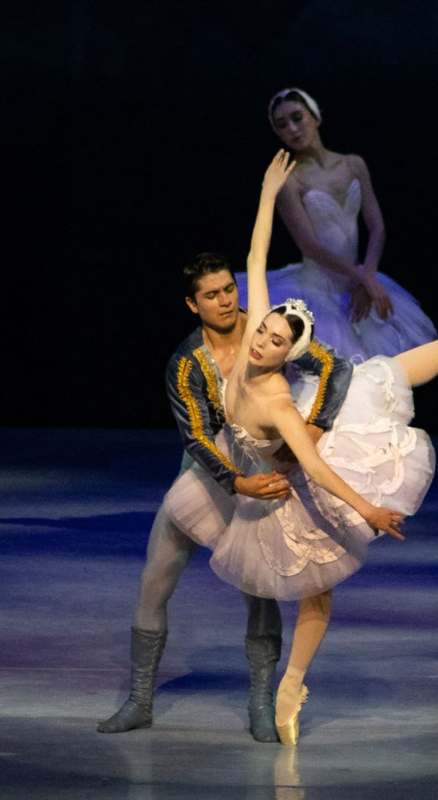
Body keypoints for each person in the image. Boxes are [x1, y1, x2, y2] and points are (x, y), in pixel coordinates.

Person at [217, 151, 438, 743]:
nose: (260, 338)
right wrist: (265, 197)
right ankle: (288, 686)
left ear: (289, 355)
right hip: (285, 462)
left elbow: (311, 461)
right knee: (379, 376)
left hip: (313, 467)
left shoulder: (280, 403)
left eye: (274, 338)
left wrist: (365, 508)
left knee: (384, 376)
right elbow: (257, 260)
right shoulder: (254, 353)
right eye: (260, 330)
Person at [95, 252, 353, 742]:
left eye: (228, 289)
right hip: (209, 472)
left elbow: (336, 369)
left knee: (258, 589)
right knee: (156, 577)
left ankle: (260, 701)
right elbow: (194, 436)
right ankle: (139, 699)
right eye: (211, 295)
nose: (224, 301)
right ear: (192, 305)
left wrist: (314, 428)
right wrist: (235, 481)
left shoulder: (268, 329)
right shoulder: (187, 361)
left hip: (262, 475)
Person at [234, 88, 437, 361]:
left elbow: (376, 225)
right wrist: (363, 277)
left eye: (297, 118)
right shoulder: (289, 181)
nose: (293, 129)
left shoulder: (353, 164)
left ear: (315, 117)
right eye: (282, 125)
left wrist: (368, 277)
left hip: (360, 280)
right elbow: (310, 245)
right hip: (319, 289)